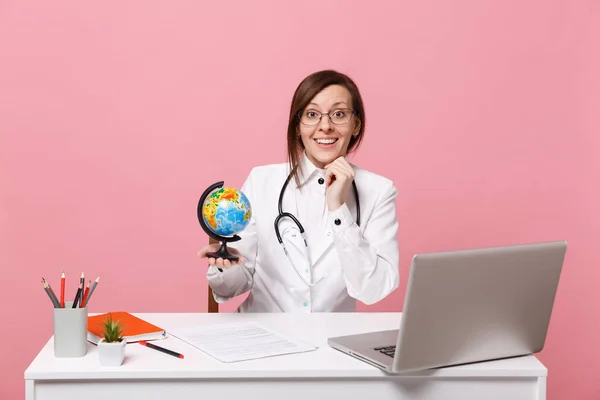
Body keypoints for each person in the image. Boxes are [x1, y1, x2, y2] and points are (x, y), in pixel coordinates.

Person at [197, 69, 399, 312]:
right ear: (297, 126)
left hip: (330, 342)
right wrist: (225, 267)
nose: (325, 126)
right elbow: (233, 286)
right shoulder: (261, 180)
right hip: (263, 338)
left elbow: (373, 290)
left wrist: (338, 209)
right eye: (312, 114)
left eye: (339, 114)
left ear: (356, 125)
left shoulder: (379, 191)